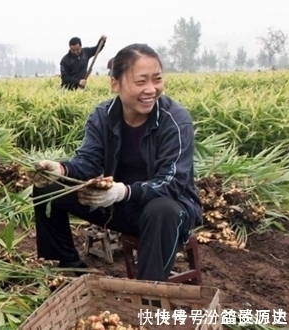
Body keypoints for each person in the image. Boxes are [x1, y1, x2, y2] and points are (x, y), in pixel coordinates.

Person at [31, 43, 202, 282]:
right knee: (48, 186)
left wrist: (125, 191)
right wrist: (60, 169)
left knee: (162, 209)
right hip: (117, 205)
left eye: (157, 79)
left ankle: (149, 293)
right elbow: (89, 162)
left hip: (167, 212)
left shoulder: (175, 121)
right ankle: (69, 264)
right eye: (141, 81)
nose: (151, 89)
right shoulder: (103, 115)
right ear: (115, 84)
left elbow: (173, 183)